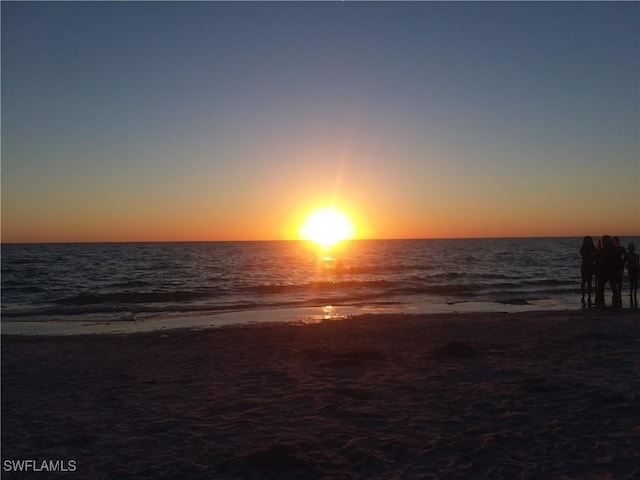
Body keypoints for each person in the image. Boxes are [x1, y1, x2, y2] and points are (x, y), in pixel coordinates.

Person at [595, 235, 619, 307]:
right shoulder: (614, 249)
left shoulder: (602, 250)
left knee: (601, 286)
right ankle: (615, 299)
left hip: (605, 270)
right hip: (612, 269)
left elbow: (597, 258)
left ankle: (601, 300)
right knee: (613, 285)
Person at [579, 236, 596, 304]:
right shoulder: (583, 249)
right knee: (584, 280)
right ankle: (583, 294)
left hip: (591, 266)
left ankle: (589, 295)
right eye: (588, 241)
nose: (589, 242)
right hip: (585, 266)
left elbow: (595, 255)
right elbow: (584, 256)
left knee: (589, 281)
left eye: (590, 240)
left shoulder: (593, 248)